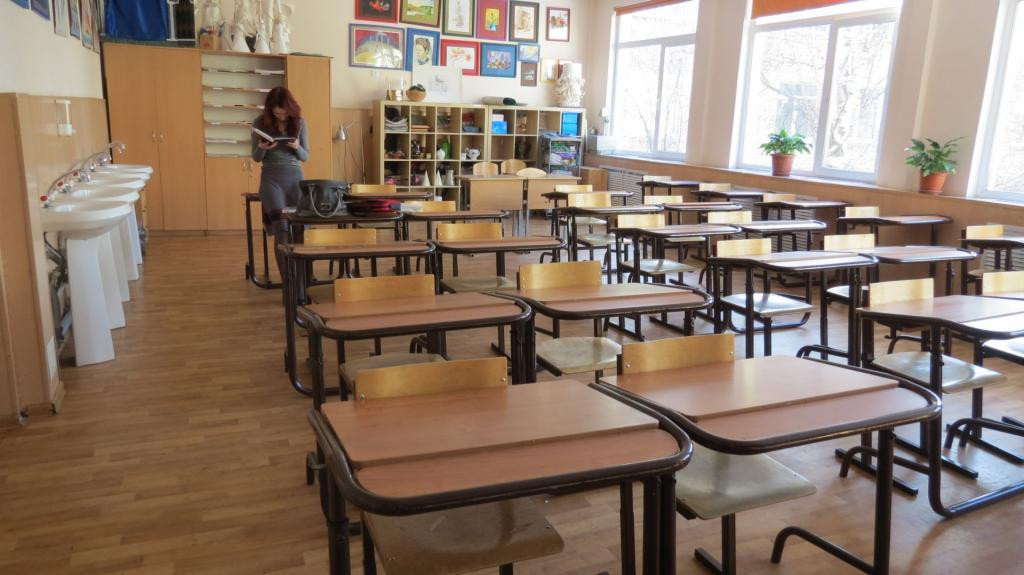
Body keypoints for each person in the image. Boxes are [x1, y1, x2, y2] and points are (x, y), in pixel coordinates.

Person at [251, 86, 309, 277]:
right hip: (271, 179)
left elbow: (305, 157)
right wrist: (262, 148)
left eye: (284, 113)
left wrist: (297, 147)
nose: (282, 117)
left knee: (300, 230)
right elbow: (256, 157)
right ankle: (288, 282)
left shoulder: (300, 123)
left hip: (295, 178)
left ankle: (303, 277)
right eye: (277, 113)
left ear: (291, 108)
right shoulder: (259, 123)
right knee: (282, 229)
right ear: (270, 110)